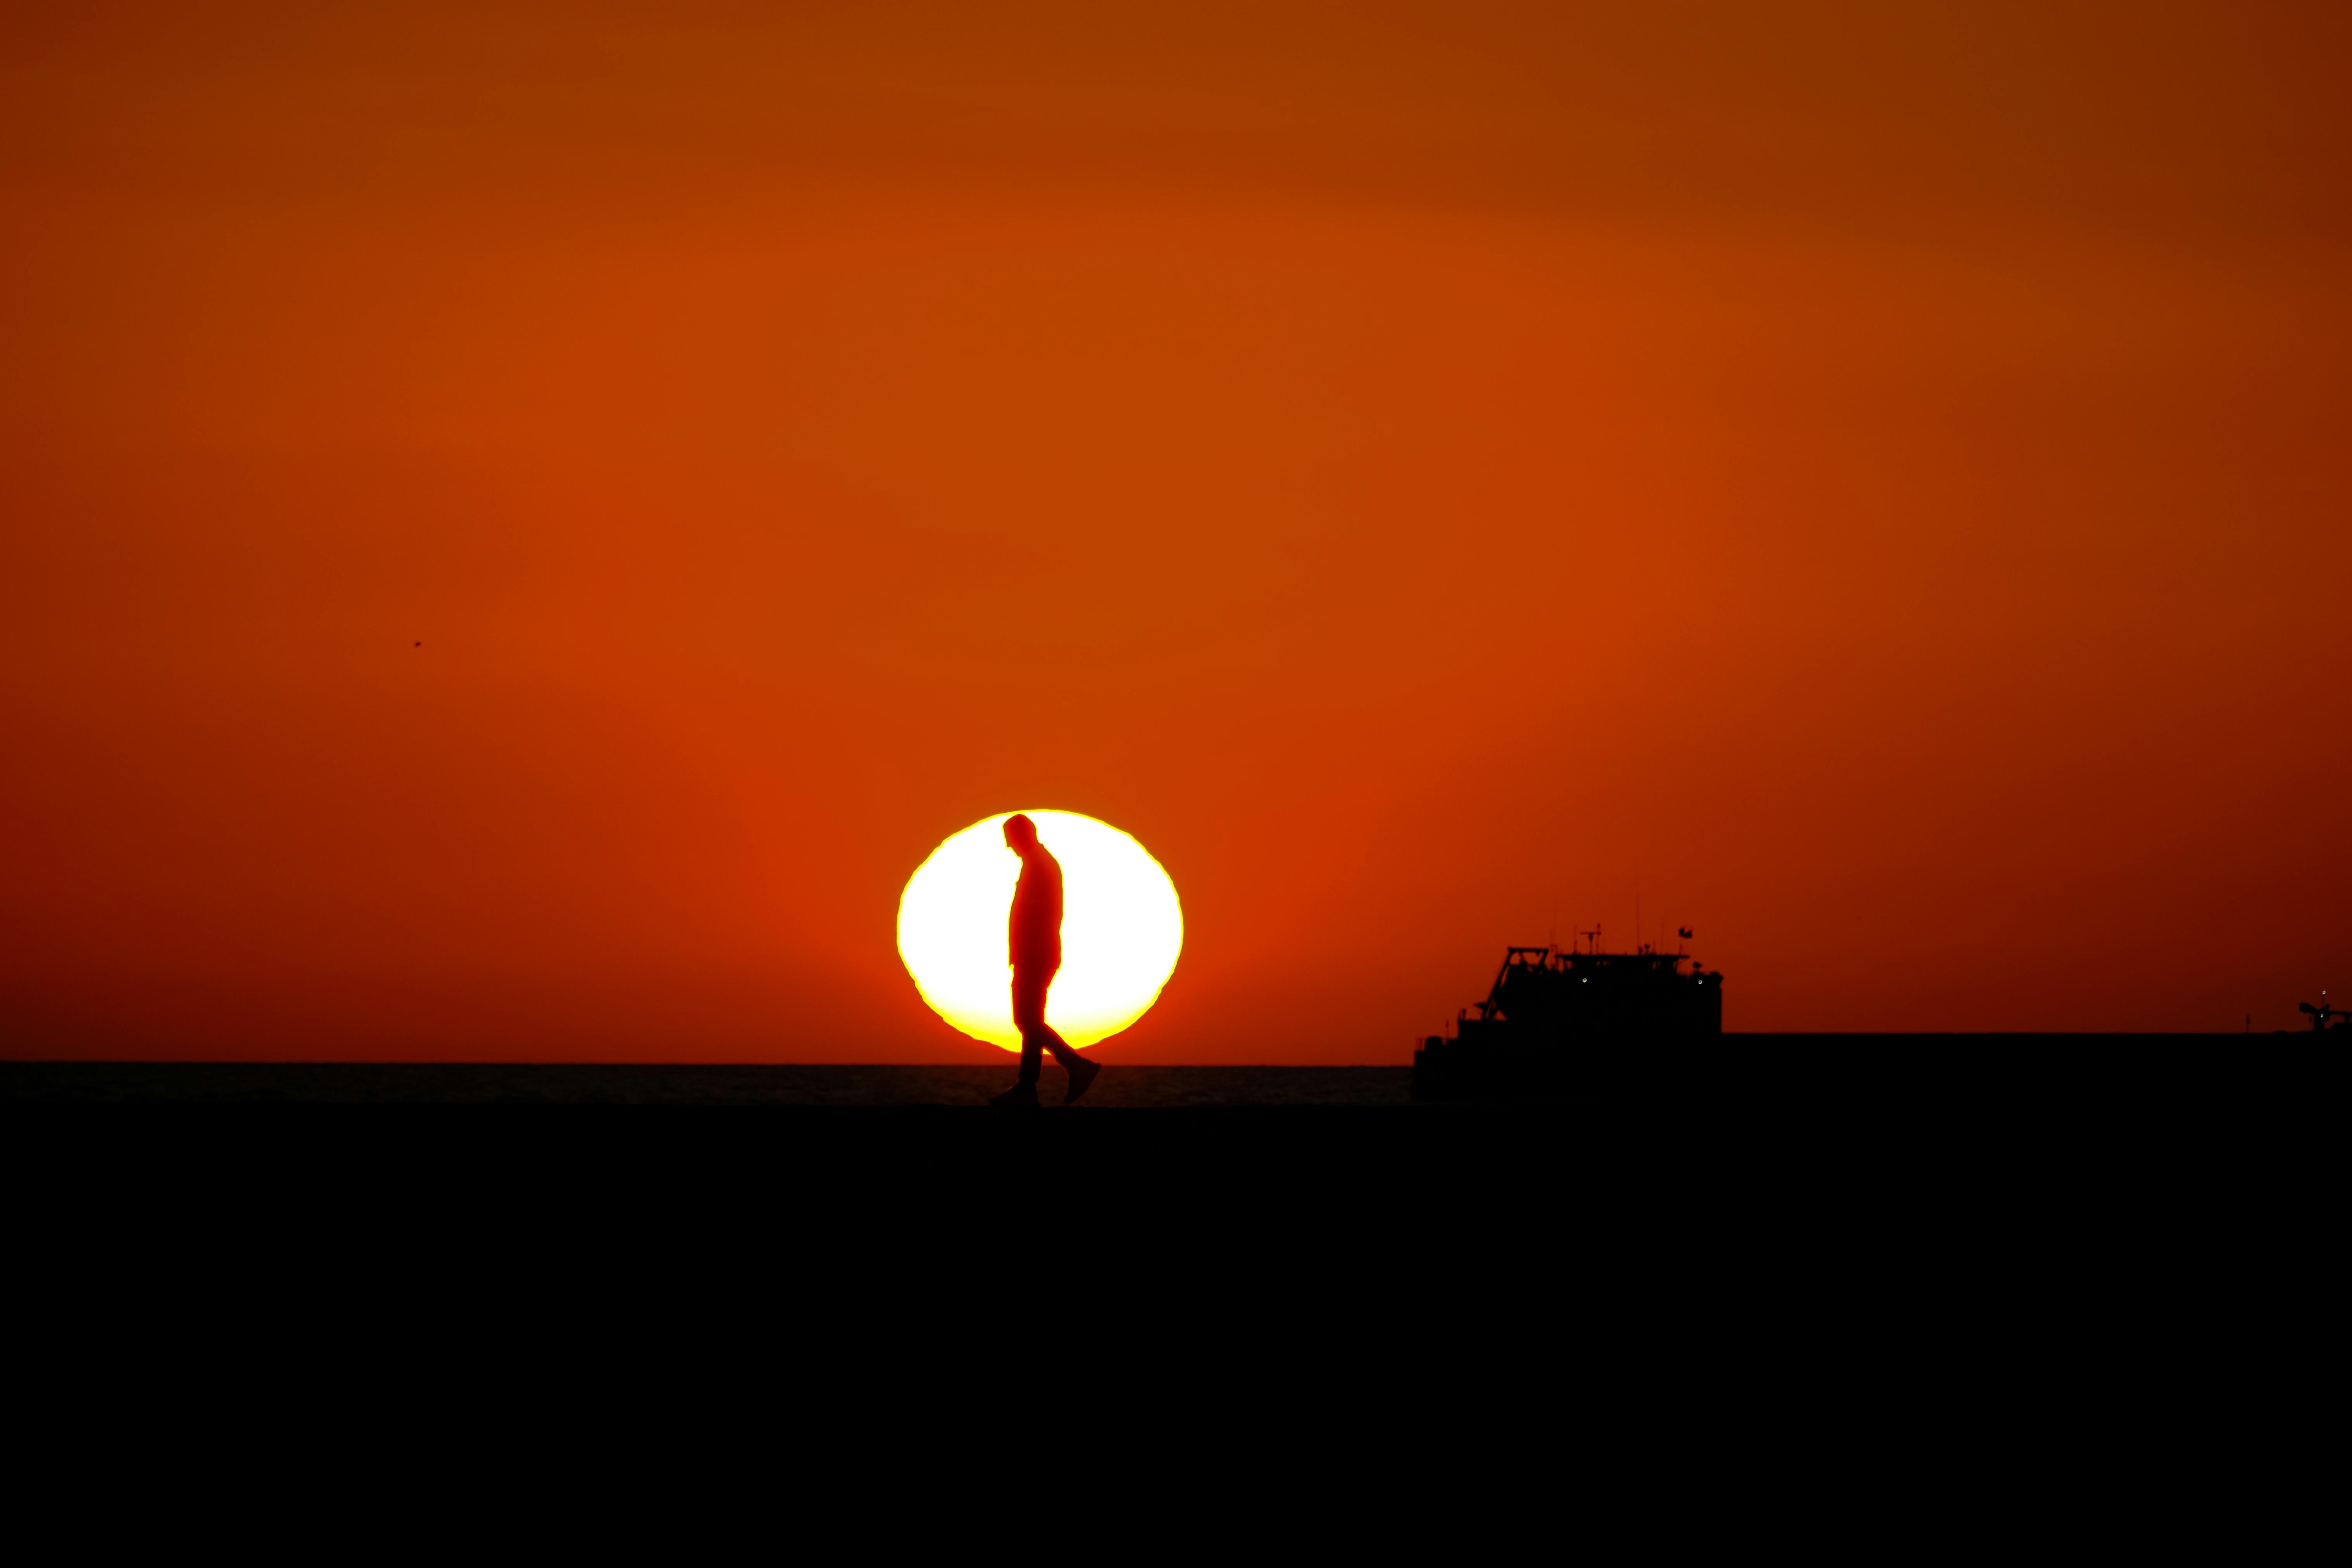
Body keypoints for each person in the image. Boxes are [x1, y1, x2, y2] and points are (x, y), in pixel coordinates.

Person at [989, 814, 1101, 1108]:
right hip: (1034, 953)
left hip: (1036, 953)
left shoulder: (1040, 866)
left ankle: (1076, 1066)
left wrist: (1025, 950)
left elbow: (1038, 914)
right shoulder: (1037, 864)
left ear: (1022, 836)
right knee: (1030, 1021)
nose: (1008, 846)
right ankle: (1028, 1089)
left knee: (1027, 1020)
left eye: (1010, 839)